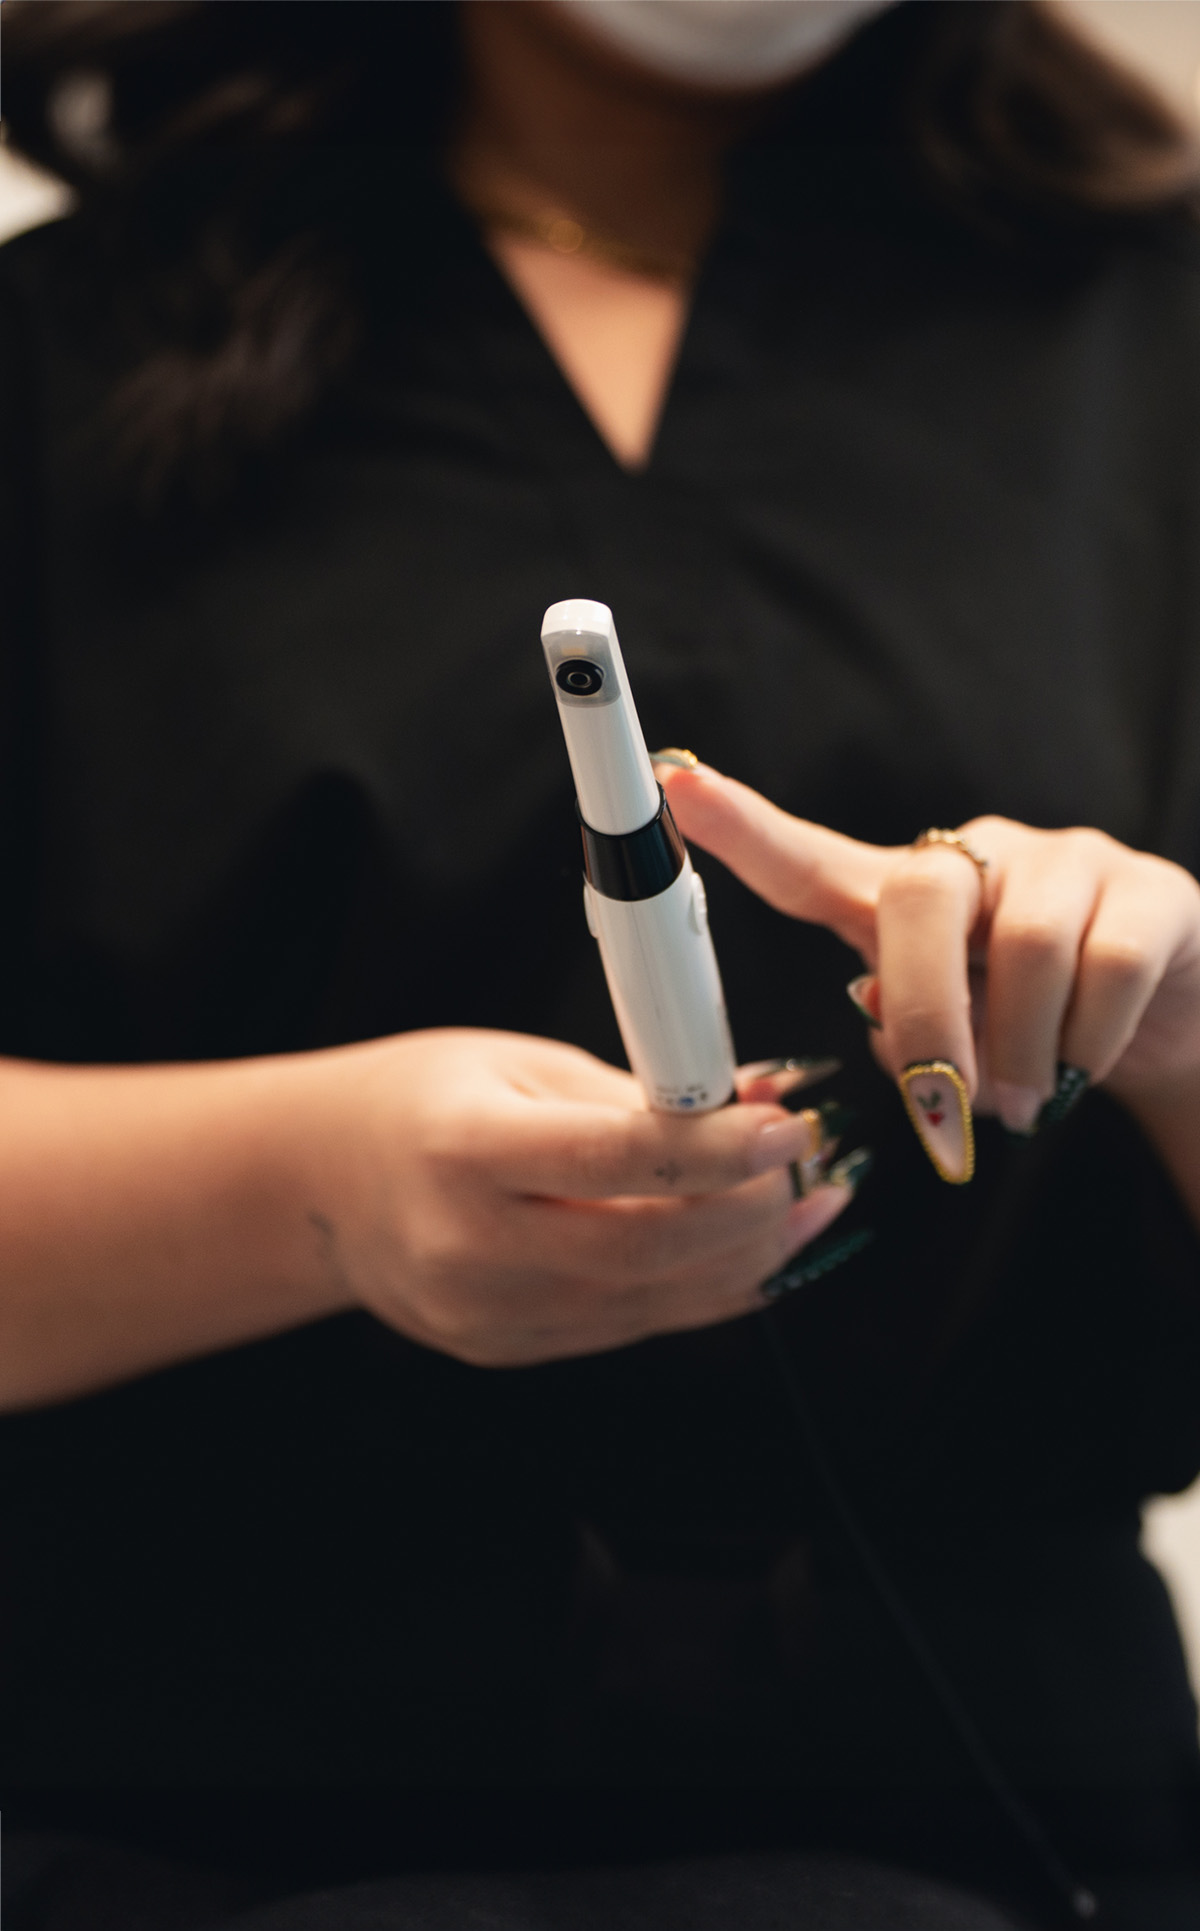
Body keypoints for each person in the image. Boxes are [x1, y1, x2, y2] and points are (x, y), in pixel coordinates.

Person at [2, 1, 1200, 1925]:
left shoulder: (1152, 335)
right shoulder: (58, 357)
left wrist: (1178, 1031)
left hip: (1009, 1817)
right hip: (194, 1817)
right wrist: (310, 1188)